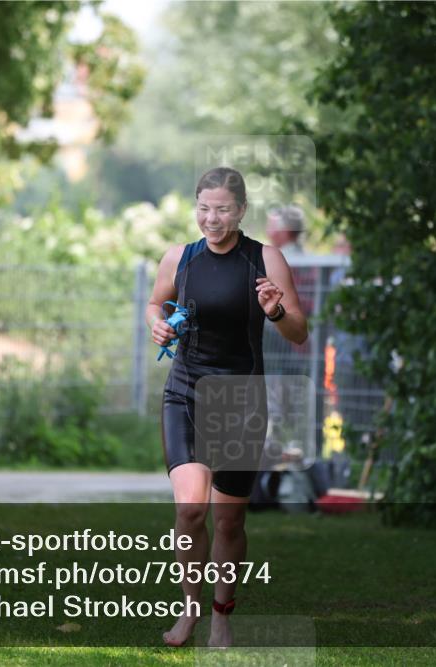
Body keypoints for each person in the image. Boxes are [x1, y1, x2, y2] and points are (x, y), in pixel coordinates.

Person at [147, 167, 308, 648]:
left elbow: (299, 332)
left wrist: (276, 309)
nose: (211, 218)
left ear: (240, 211)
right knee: (190, 510)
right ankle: (190, 611)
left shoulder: (264, 258)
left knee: (229, 520)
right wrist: (158, 324)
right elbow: (155, 303)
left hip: (240, 400)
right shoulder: (180, 258)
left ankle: (222, 613)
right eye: (203, 208)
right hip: (186, 392)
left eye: (221, 209)